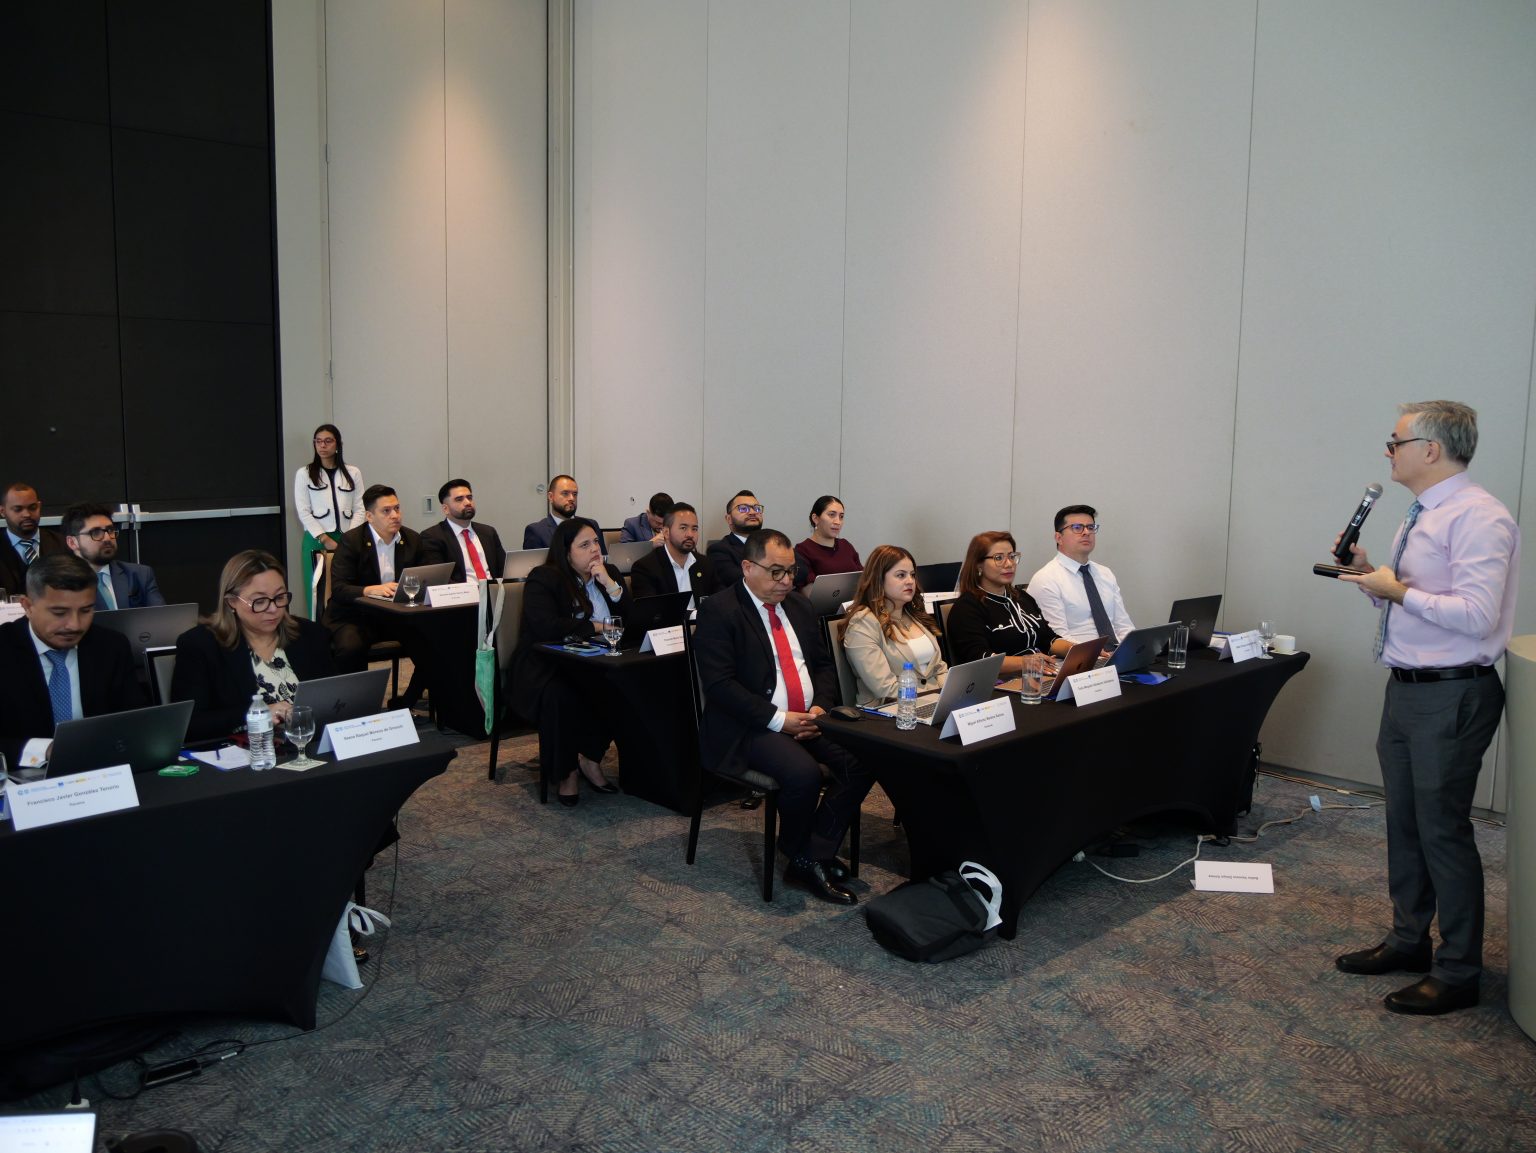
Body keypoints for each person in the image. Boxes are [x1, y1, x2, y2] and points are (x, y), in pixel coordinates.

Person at [1333, 401, 1519, 1016]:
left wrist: (1398, 590)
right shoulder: (1421, 514)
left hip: (1453, 692)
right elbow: (1412, 602)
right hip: (1407, 686)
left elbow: (1477, 615)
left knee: (1442, 830)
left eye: (1396, 442)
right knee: (1406, 823)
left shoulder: (1479, 516)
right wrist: (1371, 577)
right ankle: (1409, 939)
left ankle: (1459, 970)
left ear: (1432, 449)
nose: (1388, 451)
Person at [694, 529, 873, 905]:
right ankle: (800, 854)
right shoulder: (720, 610)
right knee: (803, 774)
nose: (786, 581)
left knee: (861, 761)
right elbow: (720, 686)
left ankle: (813, 853)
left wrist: (820, 707)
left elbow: (822, 665)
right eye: (776, 572)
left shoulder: (799, 606)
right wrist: (779, 719)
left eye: (791, 572)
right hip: (747, 725)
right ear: (747, 567)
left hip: (808, 717)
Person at [510, 520, 624, 806]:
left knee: (627, 684)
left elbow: (631, 621)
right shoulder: (544, 578)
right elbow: (545, 626)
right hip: (547, 665)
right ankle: (566, 772)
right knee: (562, 695)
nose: (594, 549)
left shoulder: (608, 574)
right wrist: (595, 626)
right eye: (584, 545)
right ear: (566, 552)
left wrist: (610, 586)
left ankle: (591, 757)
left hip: (597, 661)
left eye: (596, 542)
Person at [171, 550, 337, 742]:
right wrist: (258, 714)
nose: (273, 609)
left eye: (280, 597)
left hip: (310, 744)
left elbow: (336, 698)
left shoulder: (310, 634)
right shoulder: (200, 645)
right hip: (246, 751)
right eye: (260, 601)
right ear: (231, 602)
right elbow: (190, 724)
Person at [0, 554, 144, 767]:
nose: (74, 625)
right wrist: (46, 749)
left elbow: (135, 721)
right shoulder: (5, 649)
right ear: (27, 606)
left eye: (86, 611)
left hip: (103, 768)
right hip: (21, 773)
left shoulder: (111, 646)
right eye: (59, 613)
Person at [324, 485, 424, 674]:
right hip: (354, 616)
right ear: (369, 516)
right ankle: (355, 694)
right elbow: (339, 589)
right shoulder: (351, 541)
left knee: (437, 638)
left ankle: (415, 692)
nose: (395, 515)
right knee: (350, 648)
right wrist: (369, 590)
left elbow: (425, 578)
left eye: (397, 508)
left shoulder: (412, 539)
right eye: (386, 511)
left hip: (397, 615)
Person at [945, 531, 1070, 675]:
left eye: (1012, 556)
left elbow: (1048, 639)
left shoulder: (1023, 597)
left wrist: (1076, 650)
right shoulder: (966, 608)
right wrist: (1027, 662)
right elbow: (979, 660)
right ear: (978, 565)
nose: (1009, 564)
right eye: (998, 558)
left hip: (1039, 674)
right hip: (999, 681)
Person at [841, 545, 947, 707]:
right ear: (879, 579)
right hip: (888, 709)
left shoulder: (914, 614)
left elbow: (939, 669)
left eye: (912, 575)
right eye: (901, 575)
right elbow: (885, 688)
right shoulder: (863, 623)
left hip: (933, 701)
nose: (910, 581)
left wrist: (950, 697)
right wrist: (932, 701)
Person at [1026, 505, 1135, 647]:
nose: (1086, 532)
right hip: (1078, 657)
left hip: (1116, 654)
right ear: (1059, 537)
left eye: (1090, 527)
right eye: (1077, 528)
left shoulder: (1105, 573)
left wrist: (1133, 650)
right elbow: (1057, 639)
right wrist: (1097, 654)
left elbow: (1123, 625)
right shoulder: (1046, 579)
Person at [294, 425, 363, 613]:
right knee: (318, 592)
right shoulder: (305, 473)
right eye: (318, 441)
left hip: (347, 538)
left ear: (338, 444)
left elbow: (360, 508)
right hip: (317, 539)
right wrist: (324, 538)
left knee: (347, 587)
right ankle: (318, 627)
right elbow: (303, 511)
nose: (322, 445)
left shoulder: (353, 472)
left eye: (327, 441)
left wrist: (350, 538)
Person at [61, 503, 165, 610]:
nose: (107, 538)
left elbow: (161, 617)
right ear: (72, 542)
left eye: (110, 530)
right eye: (96, 532)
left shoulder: (140, 575)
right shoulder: (61, 584)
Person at [419, 479, 507, 582]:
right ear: (445, 509)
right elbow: (439, 578)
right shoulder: (433, 537)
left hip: (493, 589)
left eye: (469, 498)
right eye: (459, 499)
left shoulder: (488, 532)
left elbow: (503, 569)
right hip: (461, 591)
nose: (468, 503)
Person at [630, 501, 715, 602]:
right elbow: (650, 610)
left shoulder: (705, 564)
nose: (690, 534)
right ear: (666, 532)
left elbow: (720, 601)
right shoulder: (645, 568)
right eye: (683, 528)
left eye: (694, 529)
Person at [0, 482, 67, 597]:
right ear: (2, 511)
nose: (27, 514)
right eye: (18, 509)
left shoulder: (63, 544)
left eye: (32, 508)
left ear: (39, 506)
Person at [523, 474, 604, 552]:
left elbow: (604, 558)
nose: (572, 498)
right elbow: (533, 562)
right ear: (551, 497)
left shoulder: (591, 525)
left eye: (575, 494)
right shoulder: (537, 531)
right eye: (565, 493)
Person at [706, 490, 765, 589]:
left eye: (757, 508)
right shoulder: (719, 550)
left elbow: (794, 573)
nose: (752, 512)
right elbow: (742, 582)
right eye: (743, 508)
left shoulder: (772, 543)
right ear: (729, 519)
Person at [795, 495, 861, 582]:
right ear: (815, 518)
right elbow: (808, 587)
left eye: (841, 517)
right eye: (832, 515)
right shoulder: (802, 550)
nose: (837, 522)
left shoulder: (845, 545)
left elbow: (863, 577)